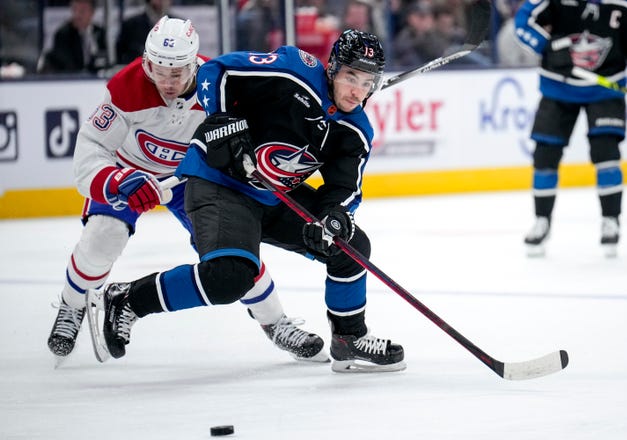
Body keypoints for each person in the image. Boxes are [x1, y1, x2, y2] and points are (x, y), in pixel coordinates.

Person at [88, 29, 406, 373]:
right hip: (219, 182)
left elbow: (344, 188)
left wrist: (333, 218)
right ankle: (129, 299)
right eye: (350, 77)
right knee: (229, 278)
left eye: (366, 82)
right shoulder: (291, 71)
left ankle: (349, 338)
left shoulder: (356, 130)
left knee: (350, 245)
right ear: (332, 69)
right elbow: (216, 71)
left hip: (274, 194)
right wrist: (223, 119)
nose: (357, 90)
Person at [47, 16, 327, 365]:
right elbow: (90, 149)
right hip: (129, 172)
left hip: (193, 177)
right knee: (104, 236)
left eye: (177, 72)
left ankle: (275, 321)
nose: (166, 81)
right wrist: (118, 181)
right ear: (147, 61)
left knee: (233, 252)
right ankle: (72, 305)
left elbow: (255, 125)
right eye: (158, 70)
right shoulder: (127, 86)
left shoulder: (219, 85)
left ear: (194, 63)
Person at [514, 0, 627, 257]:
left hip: (605, 89)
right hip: (558, 86)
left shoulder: (626, 4)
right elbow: (523, 22)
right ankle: (542, 221)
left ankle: (611, 220)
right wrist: (548, 46)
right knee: (545, 155)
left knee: (606, 152)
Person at [37, 0, 108, 74]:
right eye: (75, 9)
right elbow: (68, 66)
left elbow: (104, 60)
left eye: (82, 11)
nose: (77, 15)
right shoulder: (63, 35)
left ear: (92, 12)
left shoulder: (100, 33)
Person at [115, 0, 174, 65]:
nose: (162, 1)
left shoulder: (178, 25)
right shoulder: (131, 25)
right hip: (137, 71)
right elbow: (120, 54)